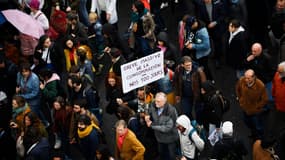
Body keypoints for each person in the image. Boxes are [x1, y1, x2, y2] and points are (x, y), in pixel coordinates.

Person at [144, 92, 179, 160]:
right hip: (159, 138)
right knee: (161, 153)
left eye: (158, 102)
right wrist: (147, 114)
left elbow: (167, 128)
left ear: (164, 102)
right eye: (156, 100)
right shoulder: (154, 104)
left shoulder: (171, 111)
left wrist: (152, 125)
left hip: (170, 138)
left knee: (172, 156)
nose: (156, 103)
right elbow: (148, 108)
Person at [236, 69, 268, 139]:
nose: (246, 79)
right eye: (245, 77)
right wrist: (240, 99)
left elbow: (264, 99)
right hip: (245, 108)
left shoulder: (260, 85)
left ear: (253, 77)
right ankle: (253, 133)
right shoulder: (242, 80)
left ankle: (260, 138)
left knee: (258, 126)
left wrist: (257, 107)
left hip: (255, 111)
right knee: (248, 122)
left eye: (248, 78)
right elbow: (237, 89)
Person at [16, 62, 49, 127]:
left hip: (34, 99)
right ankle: (45, 122)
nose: (24, 73)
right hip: (25, 95)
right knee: (37, 110)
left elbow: (35, 93)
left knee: (32, 114)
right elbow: (18, 83)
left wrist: (22, 96)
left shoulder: (34, 78)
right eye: (22, 72)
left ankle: (38, 127)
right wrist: (18, 88)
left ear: (29, 71)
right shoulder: (19, 75)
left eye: (26, 71)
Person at [174, 56, 207, 120]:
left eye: (190, 64)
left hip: (197, 95)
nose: (189, 66)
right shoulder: (179, 70)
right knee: (186, 112)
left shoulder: (198, 71)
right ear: (182, 65)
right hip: (185, 96)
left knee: (199, 112)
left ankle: (199, 124)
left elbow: (204, 83)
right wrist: (177, 94)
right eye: (187, 65)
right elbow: (176, 82)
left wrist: (203, 93)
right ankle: (191, 123)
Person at [181, 15, 213, 81]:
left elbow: (206, 45)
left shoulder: (203, 32)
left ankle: (210, 80)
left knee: (204, 67)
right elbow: (191, 34)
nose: (189, 28)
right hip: (196, 52)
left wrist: (193, 46)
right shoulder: (194, 27)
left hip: (202, 54)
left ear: (193, 24)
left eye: (190, 27)